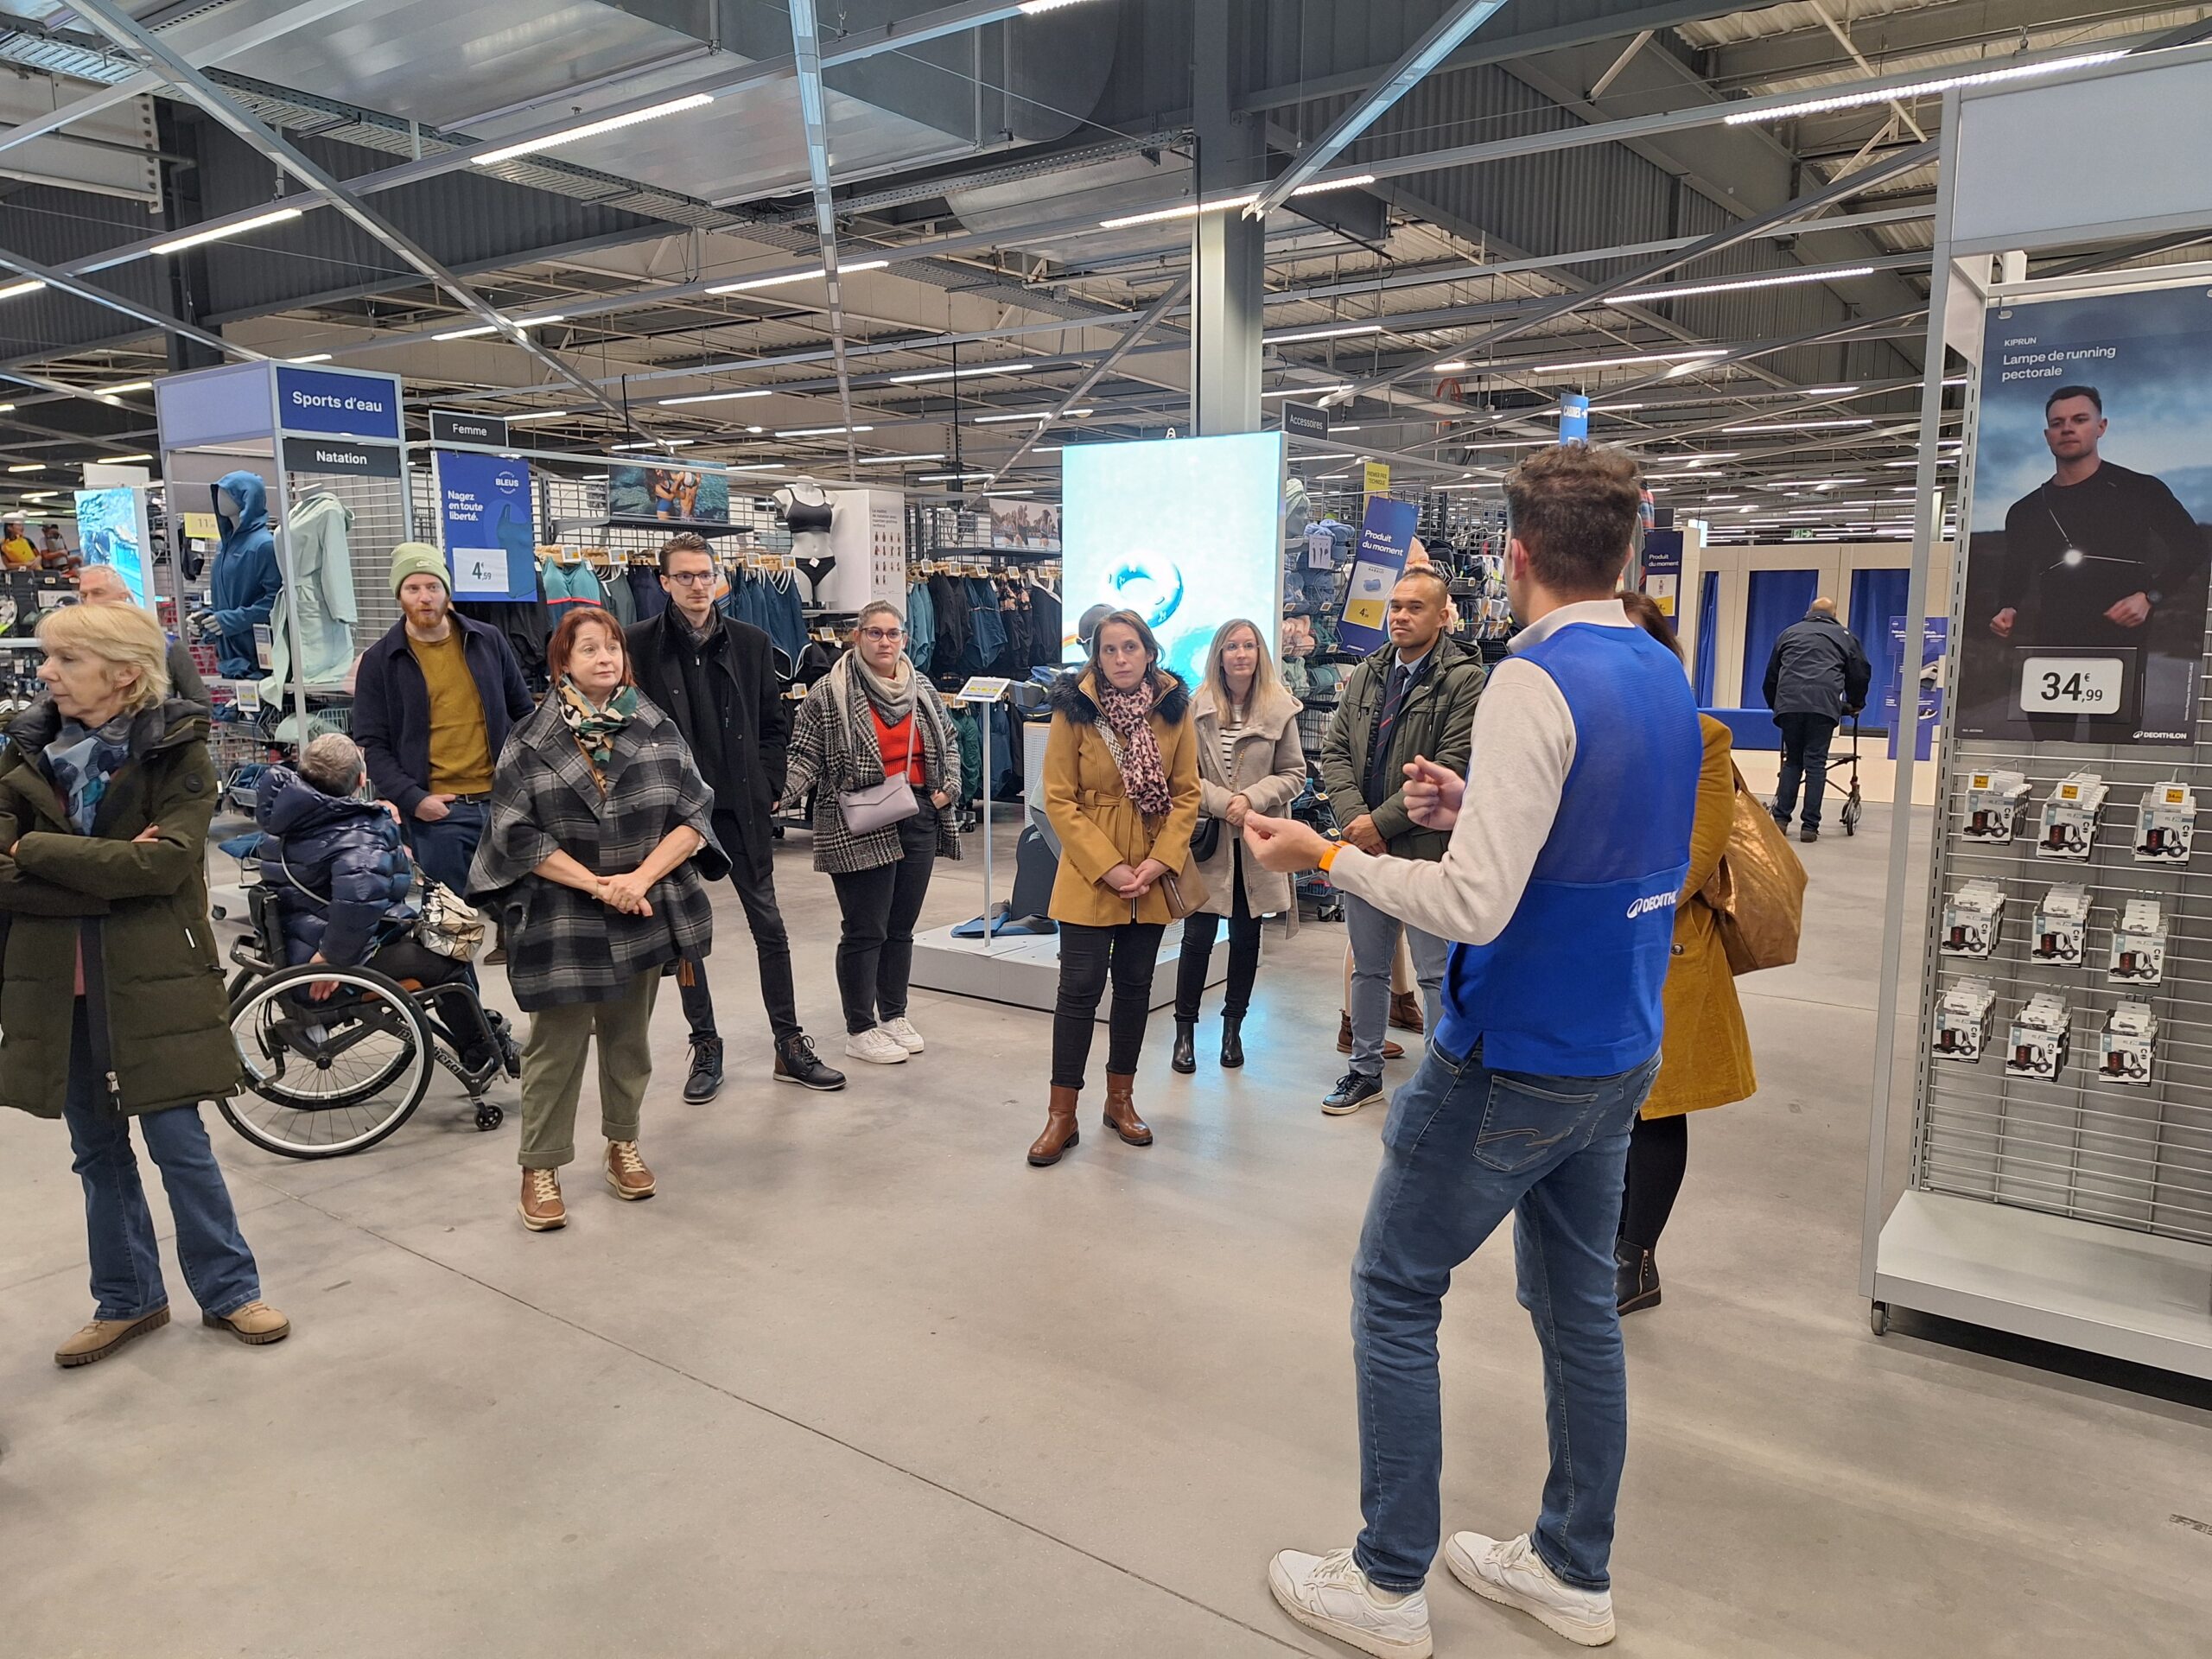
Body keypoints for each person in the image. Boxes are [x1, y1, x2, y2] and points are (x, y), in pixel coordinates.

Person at [1246, 442, 1700, 1656]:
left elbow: (1473, 908)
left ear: (1515, 552)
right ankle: (1573, 1568)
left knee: (1395, 1287)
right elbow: (1603, 836)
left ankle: (1386, 1580)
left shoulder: (1530, 681)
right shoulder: (1657, 668)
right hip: (1619, 1044)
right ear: (1628, 546)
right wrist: (1472, 806)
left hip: (1513, 1054)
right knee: (1577, 1307)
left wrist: (1327, 858)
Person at [0, 602, 288, 1366]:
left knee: (180, 1145)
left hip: (154, 979)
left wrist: (33, 850)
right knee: (96, 1154)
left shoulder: (178, 751)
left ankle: (230, 1291)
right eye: (48, 658)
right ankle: (127, 1299)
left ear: (124, 674)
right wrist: (105, 872)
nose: (47, 673)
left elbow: (163, 866)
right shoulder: (23, 752)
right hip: (52, 989)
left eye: (67, 660)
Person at [467, 607, 724, 1233]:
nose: (606, 657)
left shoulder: (657, 727)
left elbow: (694, 815)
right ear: (563, 662)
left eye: (612, 646)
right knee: (554, 1048)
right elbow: (514, 832)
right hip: (561, 914)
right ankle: (540, 1166)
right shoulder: (530, 738)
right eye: (589, 649)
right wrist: (598, 885)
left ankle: (622, 1143)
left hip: (642, 905)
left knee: (629, 1040)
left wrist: (638, 880)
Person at [626, 532, 843, 1096]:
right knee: (686, 934)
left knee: (768, 924)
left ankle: (788, 1043)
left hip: (740, 805)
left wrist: (770, 784)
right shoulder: (637, 645)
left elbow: (774, 723)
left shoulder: (750, 642)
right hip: (672, 814)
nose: (698, 586)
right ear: (664, 582)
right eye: (685, 576)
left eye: (705, 575)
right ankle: (705, 1044)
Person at [1615, 593, 1755, 1316]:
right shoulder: (1583, 729)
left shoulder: (1702, 738)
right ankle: (1602, 1241)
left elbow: (1695, 858)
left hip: (1664, 947)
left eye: (1636, 645)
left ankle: (1636, 1258)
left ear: (1664, 658)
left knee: (1656, 1108)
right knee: (1602, 1105)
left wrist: (1602, 896)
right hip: (1594, 946)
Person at [1028, 609, 1199, 1168]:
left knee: (1134, 987)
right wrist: (1107, 866)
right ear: (1096, 657)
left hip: (1150, 869)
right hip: (1089, 871)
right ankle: (1062, 1113)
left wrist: (1159, 862)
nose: (1121, 658)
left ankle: (1119, 1100)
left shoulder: (1174, 707)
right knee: (1078, 988)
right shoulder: (1073, 708)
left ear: (1149, 652)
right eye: (1109, 649)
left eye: (1130, 647)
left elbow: (1186, 793)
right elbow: (1059, 797)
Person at [1316, 567, 1484, 1115]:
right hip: (1364, 849)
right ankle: (1363, 1072)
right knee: (1369, 967)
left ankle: (1438, 1084)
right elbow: (1334, 752)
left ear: (1442, 616)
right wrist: (1355, 822)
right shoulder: (1368, 673)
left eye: (1415, 607)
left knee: (1434, 972)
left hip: (1427, 854)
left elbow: (1451, 766)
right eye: (1395, 606)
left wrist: (1379, 826)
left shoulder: (1465, 681)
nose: (1401, 616)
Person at [256, 733, 514, 1082]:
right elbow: (357, 905)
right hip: (328, 961)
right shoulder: (357, 837)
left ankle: (479, 1039)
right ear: (361, 780)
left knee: (435, 942)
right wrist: (330, 959)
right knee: (448, 958)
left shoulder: (284, 821)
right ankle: (480, 1051)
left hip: (298, 943)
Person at [779, 601, 963, 1066]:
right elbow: (804, 754)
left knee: (901, 928)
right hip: (858, 817)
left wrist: (948, 789)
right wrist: (777, 797)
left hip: (918, 812)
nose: (885, 642)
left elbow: (949, 740)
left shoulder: (921, 686)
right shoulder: (830, 692)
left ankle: (894, 1013)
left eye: (893, 633)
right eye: (875, 633)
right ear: (857, 636)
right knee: (865, 929)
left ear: (904, 638)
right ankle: (860, 1028)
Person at [353, 543, 535, 904]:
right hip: (440, 817)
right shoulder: (380, 661)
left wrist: (527, 784)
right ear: (399, 595)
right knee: (452, 923)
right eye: (413, 588)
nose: (425, 597)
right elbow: (372, 744)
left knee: (523, 914)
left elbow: (525, 714)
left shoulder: (486, 641)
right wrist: (415, 800)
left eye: (433, 587)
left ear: (447, 591)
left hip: (503, 805)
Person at [1171, 617, 1304, 1074]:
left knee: (1247, 941)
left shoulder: (1280, 708)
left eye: (1249, 645)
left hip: (1258, 843)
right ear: (1219, 655)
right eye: (1232, 646)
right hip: (1207, 844)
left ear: (1259, 652)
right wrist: (1225, 803)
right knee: (1197, 940)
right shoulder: (1196, 708)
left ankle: (1233, 1030)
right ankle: (1184, 1033)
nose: (1241, 654)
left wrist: (1251, 801)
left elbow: (1294, 774)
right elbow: (1183, 776)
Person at [1992, 385, 2205, 651]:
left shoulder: (2140, 488)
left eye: (2079, 419)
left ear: (2101, 427)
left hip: (2125, 644)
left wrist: (2150, 597)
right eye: (2057, 423)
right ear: (2047, 436)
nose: (2067, 429)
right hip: (2053, 646)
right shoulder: (2025, 511)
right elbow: (2015, 573)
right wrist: (2007, 608)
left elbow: (2192, 547)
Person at [1761, 595, 1870, 844]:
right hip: (1823, 706)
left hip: (1789, 705)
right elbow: (1860, 673)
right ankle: (1809, 827)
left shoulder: (1788, 633)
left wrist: (1776, 704)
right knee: (1815, 763)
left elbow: (1771, 676)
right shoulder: (1844, 636)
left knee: (1793, 761)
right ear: (1834, 614)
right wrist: (1855, 703)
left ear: (1809, 611)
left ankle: (1781, 820)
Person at [76, 563, 207, 704]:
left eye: (97, 593)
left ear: (122, 597)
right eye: (84, 596)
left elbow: (200, 703)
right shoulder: (74, 647)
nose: (89, 602)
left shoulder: (164, 646)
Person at [196, 471, 281, 679]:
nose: (219, 499)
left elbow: (278, 602)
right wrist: (209, 616)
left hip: (259, 658)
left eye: (228, 493)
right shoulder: (223, 547)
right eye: (217, 492)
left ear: (247, 497)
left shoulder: (264, 545)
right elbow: (231, 598)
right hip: (229, 656)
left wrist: (231, 620)